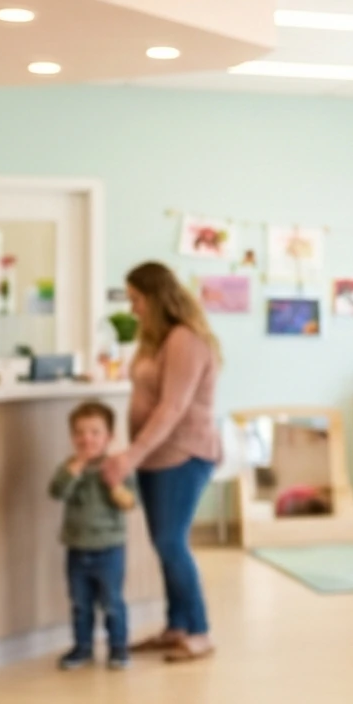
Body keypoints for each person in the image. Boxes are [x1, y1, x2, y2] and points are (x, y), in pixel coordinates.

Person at [103, 262, 222, 661]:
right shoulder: (156, 340)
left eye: (137, 299)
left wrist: (128, 456)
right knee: (164, 543)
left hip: (184, 454)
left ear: (156, 298)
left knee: (172, 542)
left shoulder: (184, 340)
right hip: (157, 456)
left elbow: (172, 408)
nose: (133, 308)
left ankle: (200, 631)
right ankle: (176, 627)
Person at [50, 399, 135, 670]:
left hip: (109, 548)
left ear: (108, 437)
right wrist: (75, 467)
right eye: (80, 433)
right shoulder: (69, 468)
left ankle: (118, 649)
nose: (87, 439)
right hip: (77, 547)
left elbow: (130, 503)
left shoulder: (116, 466)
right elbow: (56, 492)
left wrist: (114, 486)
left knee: (112, 602)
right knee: (80, 603)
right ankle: (82, 647)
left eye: (95, 432)